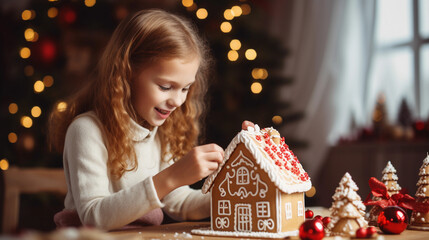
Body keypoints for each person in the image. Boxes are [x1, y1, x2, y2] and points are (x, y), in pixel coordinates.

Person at [49, 9, 254, 231]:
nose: (177, 100)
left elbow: (182, 203)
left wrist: (234, 190)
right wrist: (171, 177)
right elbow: (92, 217)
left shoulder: (162, 132)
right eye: (166, 87)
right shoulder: (87, 130)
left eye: (186, 88)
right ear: (126, 73)